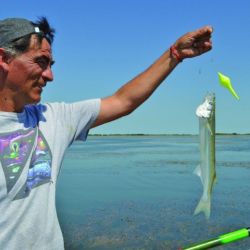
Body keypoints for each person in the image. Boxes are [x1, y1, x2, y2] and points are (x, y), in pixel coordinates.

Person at [0, 17, 212, 249]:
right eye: (41, 62)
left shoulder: (52, 119)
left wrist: (175, 55)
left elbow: (123, 101)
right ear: (4, 59)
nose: (50, 76)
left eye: (51, 64)